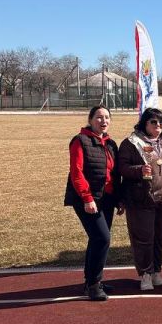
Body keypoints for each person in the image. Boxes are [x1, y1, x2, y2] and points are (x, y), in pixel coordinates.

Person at [117, 108, 162, 291]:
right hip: (141, 199)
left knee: (159, 238)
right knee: (143, 239)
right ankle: (145, 274)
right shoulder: (131, 143)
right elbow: (122, 168)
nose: (158, 126)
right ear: (144, 123)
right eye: (153, 122)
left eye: (161, 122)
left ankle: (156, 271)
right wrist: (139, 170)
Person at [65, 105, 123, 301]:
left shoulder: (111, 144)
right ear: (90, 120)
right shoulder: (80, 141)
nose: (103, 121)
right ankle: (93, 284)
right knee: (102, 238)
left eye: (107, 117)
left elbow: (115, 176)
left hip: (106, 199)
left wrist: (119, 200)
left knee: (97, 239)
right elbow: (76, 172)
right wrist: (87, 198)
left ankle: (91, 280)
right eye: (99, 117)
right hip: (88, 199)